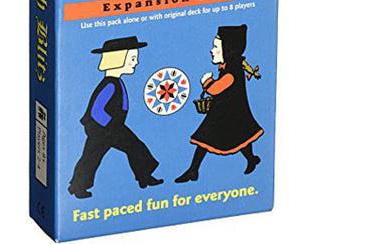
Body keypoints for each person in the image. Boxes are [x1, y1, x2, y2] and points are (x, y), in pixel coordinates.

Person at [69, 36, 163, 199]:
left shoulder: (115, 82)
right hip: (102, 129)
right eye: (132, 58)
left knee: (135, 147)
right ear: (118, 59)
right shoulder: (109, 84)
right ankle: (77, 187)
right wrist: (111, 127)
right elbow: (97, 111)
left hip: (112, 127)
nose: (136, 62)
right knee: (92, 157)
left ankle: (144, 177)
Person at [175, 25, 263, 183]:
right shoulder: (230, 67)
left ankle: (250, 159)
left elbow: (216, 89)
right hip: (224, 112)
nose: (212, 51)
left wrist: (206, 81)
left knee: (231, 136)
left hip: (228, 114)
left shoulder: (232, 71)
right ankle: (193, 170)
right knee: (231, 137)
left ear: (227, 49)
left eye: (216, 47)